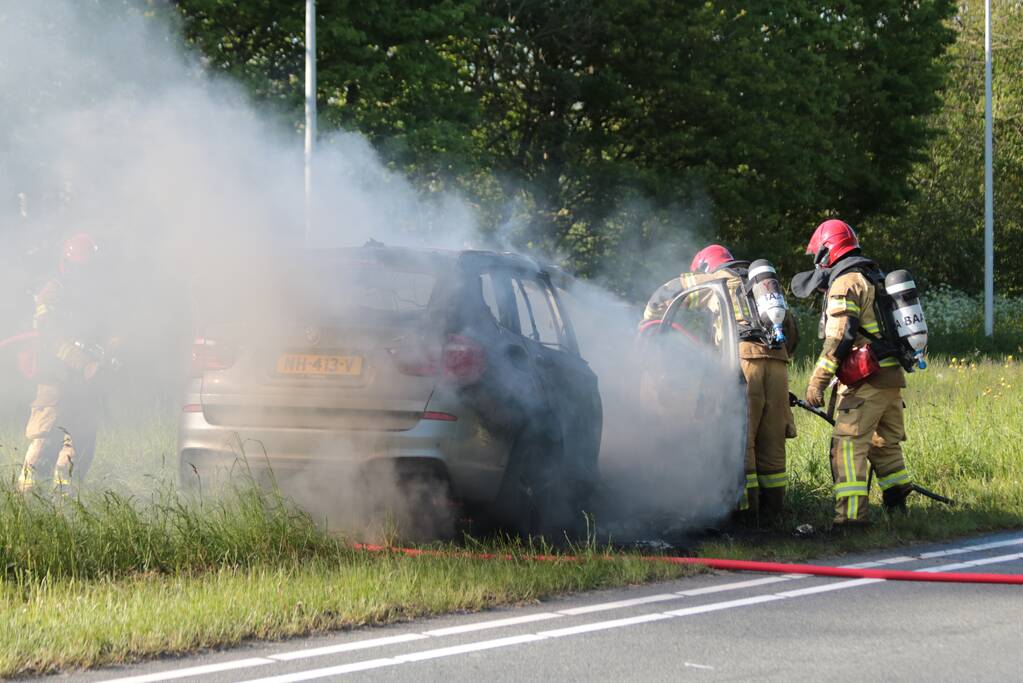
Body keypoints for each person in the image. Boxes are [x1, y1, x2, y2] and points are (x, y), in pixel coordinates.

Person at [642, 245, 798, 522]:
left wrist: (649, 328)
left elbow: (665, 293)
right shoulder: (760, 283)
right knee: (772, 441)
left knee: (741, 437)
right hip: (779, 364)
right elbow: (792, 331)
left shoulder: (715, 279)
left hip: (743, 362)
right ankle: (774, 514)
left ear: (705, 266)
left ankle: (746, 514)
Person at [795, 219, 913, 527]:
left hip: (866, 381)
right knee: (883, 444)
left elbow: (840, 337)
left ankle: (850, 521)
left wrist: (817, 382)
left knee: (846, 447)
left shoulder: (845, 282)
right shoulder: (875, 275)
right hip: (890, 380)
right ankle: (898, 503)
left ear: (828, 250)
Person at [18, 233, 112, 494]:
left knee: (75, 443)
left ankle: (64, 505)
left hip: (80, 384)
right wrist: (83, 363)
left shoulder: (91, 296)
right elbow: (49, 336)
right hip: (54, 379)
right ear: (66, 263)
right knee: (42, 442)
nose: (83, 272)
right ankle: (25, 504)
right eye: (79, 266)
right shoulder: (53, 290)